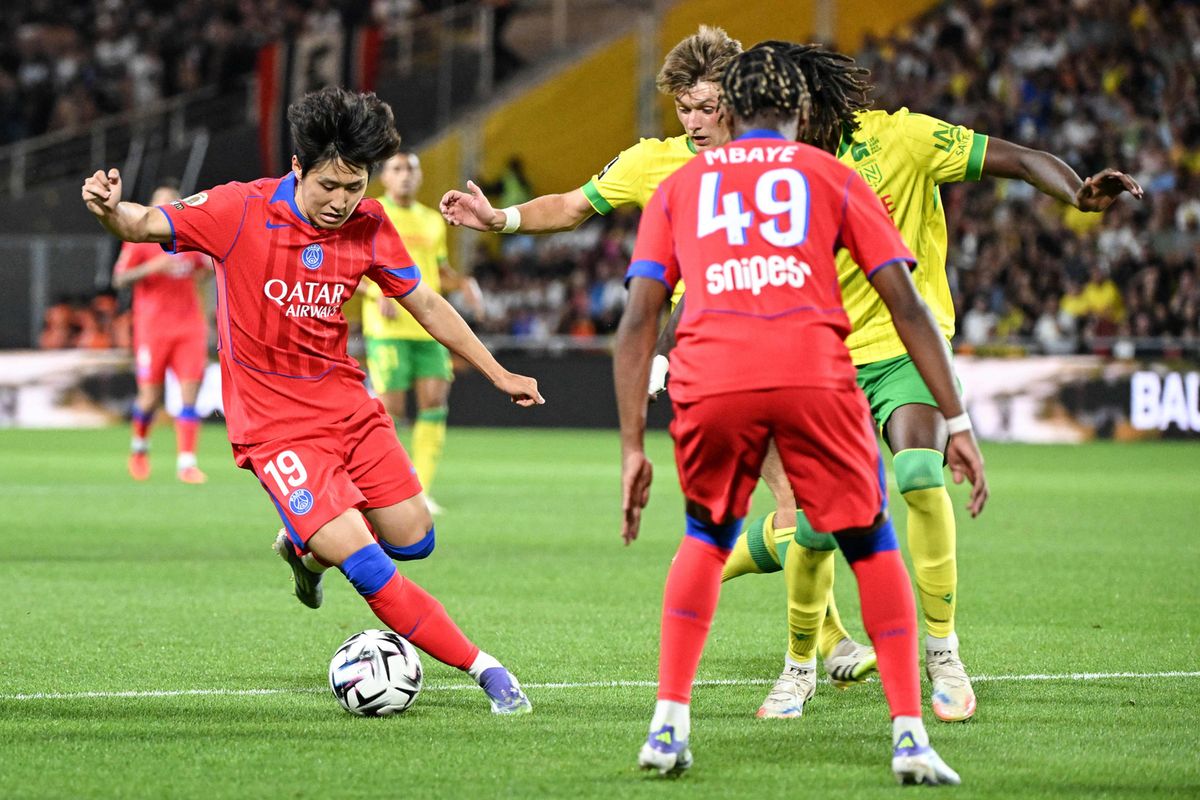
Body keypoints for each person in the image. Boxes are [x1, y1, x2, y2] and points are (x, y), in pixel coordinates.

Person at [442, 26, 880, 706]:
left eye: (708, 106)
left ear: (735, 97)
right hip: (713, 355)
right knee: (800, 499)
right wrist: (500, 220)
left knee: (803, 506)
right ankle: (815, 653)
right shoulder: (657, 162)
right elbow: (572, 205)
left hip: (791, 347)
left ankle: (725, 580)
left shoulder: (787, 156)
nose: (697, 122)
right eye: (685, 108)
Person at [709, 42, 1142, 723]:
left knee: (918, 473)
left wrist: (1078, 191)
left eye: (785, 108)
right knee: (819, 526)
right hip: (822, 361)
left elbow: (1019, 159)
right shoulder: (777, 173)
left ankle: (943, 654)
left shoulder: (904, 138)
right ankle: (799, 668)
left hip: (905, 348)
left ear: (811, 103)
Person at [81, 86, 544, 715]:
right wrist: (110, 209)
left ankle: (304, 549)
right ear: (298, 168)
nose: (341, 201)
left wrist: (494, 370)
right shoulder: (237, 209)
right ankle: (488, 671)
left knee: (414, 540)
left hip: (348, 409)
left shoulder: (370, 224)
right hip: (275, 430)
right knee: (373, 568)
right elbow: (141, 223)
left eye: (354, 186)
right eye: (329, 185)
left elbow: (427, 302)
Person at [614, 44, 986, 783]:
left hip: (711, 376)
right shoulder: (832, 174)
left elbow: (636, 324)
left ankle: (667, 726)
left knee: (704, 538)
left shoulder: (683, 186)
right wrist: (959, 421)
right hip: (812, 374)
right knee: (872, 542)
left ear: (730, 109)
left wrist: (631, 446)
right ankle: (909, 734)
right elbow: (904, 303)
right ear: (800, 110)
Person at [360, 150, 483, 513]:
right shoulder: (370, 214)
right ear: (384, 177)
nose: (406, 176)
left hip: (430, 327)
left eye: (412, 170)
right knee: (391, 412)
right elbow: (351, 267)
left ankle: (421, 491)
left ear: (420, 177)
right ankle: (387, 489)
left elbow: (438, 270)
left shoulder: (432, 221)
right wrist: (375, 289)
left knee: (434, 403)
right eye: (398, 169)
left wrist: (463, 284)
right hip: (388, 328)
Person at [111, 181, 213, 484]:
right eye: (159, 203)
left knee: (189, 395)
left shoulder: (188, 240)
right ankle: (139, 450)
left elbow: (205, 269)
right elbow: (119, 280)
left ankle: (187, 463)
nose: (164, 209)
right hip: (152, 328)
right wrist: (153, 267)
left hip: (189, 326)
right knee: (150, 398)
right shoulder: (139, 239)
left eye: (171, 203)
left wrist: (208, 263)